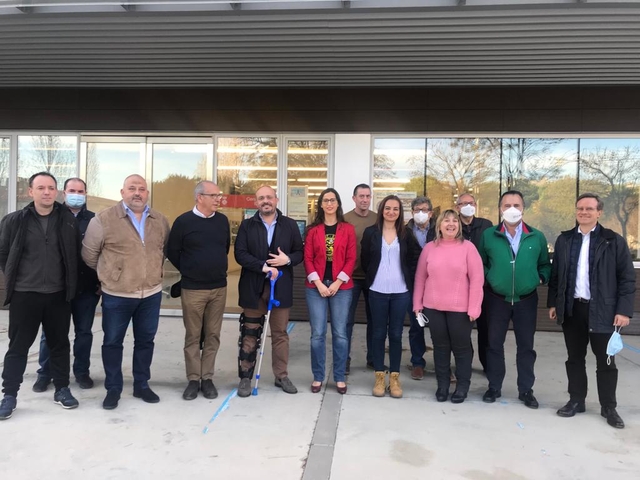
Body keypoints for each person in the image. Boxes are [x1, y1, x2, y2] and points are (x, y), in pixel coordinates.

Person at [82, 174, 170, 410]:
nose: (137, 193)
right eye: (132, 188)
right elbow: (89, 255)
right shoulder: (104, 219)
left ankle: (141, 384)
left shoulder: (159, 220)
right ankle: (113, 388)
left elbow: (163, 251)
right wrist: (109, 276)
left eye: (142, 189)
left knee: (145, 341)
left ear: (147, 193)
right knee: (112, 342)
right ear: (122, 192)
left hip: (150, 294)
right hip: (117, 295)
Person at [548, 193, 635, 429]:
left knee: (605, 361)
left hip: (603, 311)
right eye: (580, 208)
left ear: (599, 212)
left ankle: (609, 406)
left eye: (589, 209)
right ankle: (576, 400)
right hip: (572, 309)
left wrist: (624, 311)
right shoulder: (565, 240)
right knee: (574, 359)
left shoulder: (613, 241)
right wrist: (554, 303)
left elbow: (627, 279)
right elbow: (556, 277)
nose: (584, 212)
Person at [0, 172, 80, 420]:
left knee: (59, 344)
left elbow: (74, 253)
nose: (47, 192)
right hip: (25, 295)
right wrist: (17, 278)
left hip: (58, 295)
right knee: (18, 347)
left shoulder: (67, 219)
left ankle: (62, 389)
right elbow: (3, 253)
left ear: (57, 192)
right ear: (30, 192)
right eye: (41, 188)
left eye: (51, 188)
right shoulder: (14, 220)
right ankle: (9, 395)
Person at [478, 190, 551, 408]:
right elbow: (480, 263)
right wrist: (490, 278)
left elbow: (545, 265)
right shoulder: (489, 235)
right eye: (507, 205)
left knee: (526, 347)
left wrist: (539, 278)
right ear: (500, 209)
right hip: (496, 299)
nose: (512, 209)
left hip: (526, 300)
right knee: (493, 345)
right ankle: (494, 386)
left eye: (516, 205)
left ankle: (526, 390)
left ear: (523, 208)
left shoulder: (536, 236)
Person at [234, 185, 303, 398]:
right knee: (250, 333)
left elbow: (300, 252)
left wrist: (287, 260)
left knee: (280, 334)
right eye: (261, 198)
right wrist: (263, 266)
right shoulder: (247, 226)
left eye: (269, 197)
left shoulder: (290, 225)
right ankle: (245, 377)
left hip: (280, 289)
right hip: (253, 288)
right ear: (256, 203)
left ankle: (281, 375)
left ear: (277, 200)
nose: (266, 201)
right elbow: (240, 254)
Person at [33, 178, 101, 392]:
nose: (76, 194)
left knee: (84, 332)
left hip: (87, 288)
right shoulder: (53, 216)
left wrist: (101, 281)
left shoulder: (95, 220)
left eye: (81, 191)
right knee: (51, 333)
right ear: (64, 193)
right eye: (72, 190)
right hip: (57, 288)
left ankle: (82, 372)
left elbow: (103, 252)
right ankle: (45, 373)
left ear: (86, 194)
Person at [167, 181, 230, 401]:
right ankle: (193, 379)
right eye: (213, 195)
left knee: (213, 335)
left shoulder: (222, 221)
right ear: (199, 197)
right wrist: (190, 269)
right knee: (193, 335)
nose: (217, 199)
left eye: (218, 195)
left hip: (218, 288)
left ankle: (208, 377)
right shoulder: (183, 222)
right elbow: (173, 251)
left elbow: (224, 248)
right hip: (193, 289)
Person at [413, 210, 484, 403]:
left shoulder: (468, 248)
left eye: (455, 221)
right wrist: (417, 304)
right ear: (439, 226)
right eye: (446, 220)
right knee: (440, 348)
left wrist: (474, 307)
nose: (451, 224)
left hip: (461, 310)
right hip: (433, 308)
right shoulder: (429, 248)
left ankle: (462, 387)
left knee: (461, 349)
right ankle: (442, 386)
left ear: (459, 225)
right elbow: (420, 278)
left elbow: (477, 279)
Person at [361, 195, 421, 398]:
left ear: (400, 212)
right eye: (388, 208)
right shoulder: (371, 233)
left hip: (400, 292)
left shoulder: (406, 234)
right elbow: (365, 260)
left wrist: (408, 279)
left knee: (396, 335)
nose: (391, 212)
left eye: (396, 209)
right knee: (378, 334)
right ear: (381, 210)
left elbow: (415, 258)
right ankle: (379, 376)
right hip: (377, 291)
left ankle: (394, 378)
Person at [304, 188, 356, 394]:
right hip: (315, 287)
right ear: (321, 204)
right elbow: (307, 259)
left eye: (332, 200)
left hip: (341, 288)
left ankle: (339, 377)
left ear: (338, 203)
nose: (329, 204)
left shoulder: (348, 229)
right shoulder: (312, 230)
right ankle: (318, 376)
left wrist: (336, 284)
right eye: (325, 200)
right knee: (317, 334)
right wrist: (319, 283)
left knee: (340, 334)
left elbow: (352, 259)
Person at [455, 193, 493, 372]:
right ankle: (464, 364)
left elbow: (491, 254)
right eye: (463, 204)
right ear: (457, 207)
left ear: (475, 205)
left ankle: (487, 364)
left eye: (470, 203)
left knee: (485, 328)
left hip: (483, 286)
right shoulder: (453, 226)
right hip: (459, 287)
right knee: (462, 330)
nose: (467, 206)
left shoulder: (486, 226)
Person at [344, 184, 377, 373]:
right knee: (347, 320)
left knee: (375, 320)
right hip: (350, 277)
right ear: (354, 198)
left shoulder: (377, 219)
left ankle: (373, 358)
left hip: (373, 278)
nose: (365, 199)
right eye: (361, 196)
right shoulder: (345, 219)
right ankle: (345, 359)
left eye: (367, 196)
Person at [405, 196, 435, 380]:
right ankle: (417, 362)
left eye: (424, 210)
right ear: (412, 212)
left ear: (431, 213)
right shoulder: (404, 231)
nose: (421, 213)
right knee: (416, 325)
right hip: (412, 283)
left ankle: (443, 364)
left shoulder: (439, 230)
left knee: (439, 327)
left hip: (436, 284)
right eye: (417, 210)